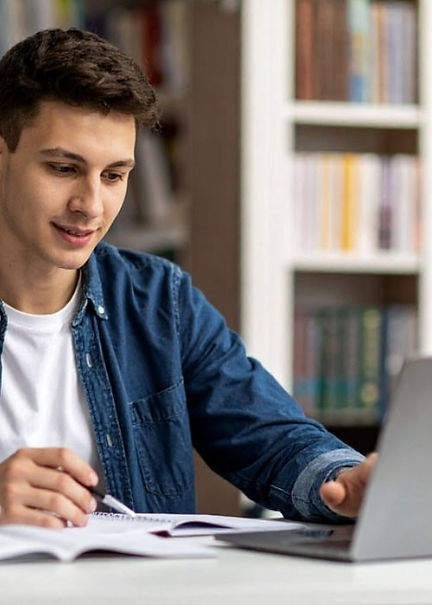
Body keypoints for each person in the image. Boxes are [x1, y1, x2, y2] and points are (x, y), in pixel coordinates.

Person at [0, 27, 375, 529]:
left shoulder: (160, 300)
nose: (90, 205)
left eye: (114, 175)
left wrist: (346, 483)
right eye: (64, 168)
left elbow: (271, 436)